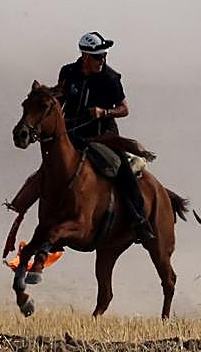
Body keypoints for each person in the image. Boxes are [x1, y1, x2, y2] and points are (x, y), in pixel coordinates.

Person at [57, 32, 154, 244]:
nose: (102, 60)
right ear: (85, 56)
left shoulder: (110, 78)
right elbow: (60, 100)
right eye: (97, 57)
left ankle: (139, 221)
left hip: (102, 137)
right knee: (51, 166)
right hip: (72, 134)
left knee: (121, 170)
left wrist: (103, 112)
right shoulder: (68, 72)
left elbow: (124, 109)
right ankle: (22, 205)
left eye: (103, 56)